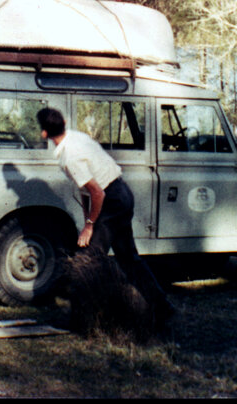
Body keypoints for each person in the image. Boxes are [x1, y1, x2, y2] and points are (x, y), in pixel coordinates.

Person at [37, 107, 175, 326]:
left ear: (44, 133)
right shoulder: (76, 137)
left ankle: (80, 319)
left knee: (87, 259)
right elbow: (86, 188)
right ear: (64, 120)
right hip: (121, 194)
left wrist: (90, 225)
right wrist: (86, 218)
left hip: (112, 200)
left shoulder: (68, 157)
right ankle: (163, 308)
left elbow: (97, 193)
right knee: (128, 259)